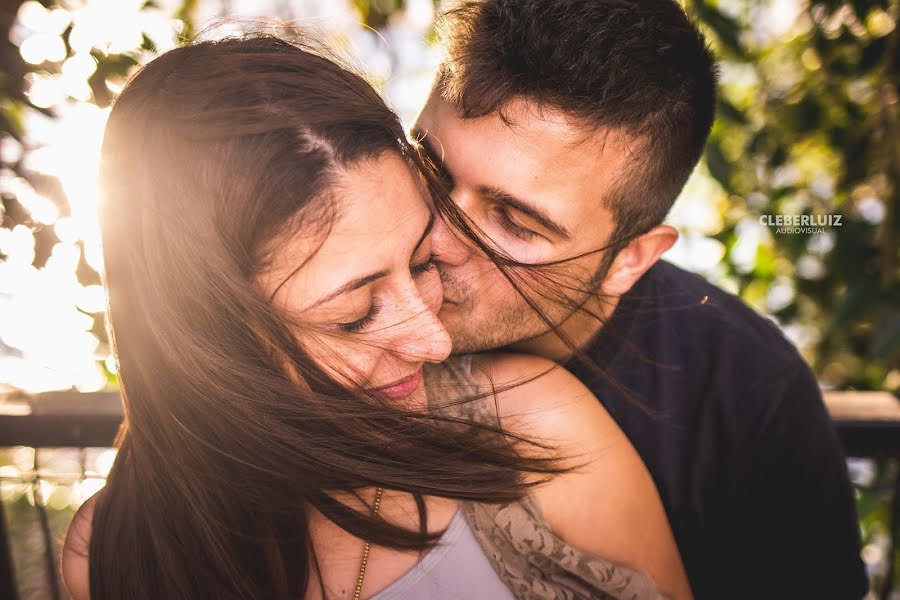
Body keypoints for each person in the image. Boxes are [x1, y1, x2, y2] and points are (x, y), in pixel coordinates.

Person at [60, 33, 692, 599]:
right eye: (355, 315)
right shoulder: (114, 555)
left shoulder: (532, 422)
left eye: (419, 266)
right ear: (204, 334)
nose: (435, 340)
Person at [412, 1, 867, 598]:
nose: (436, 240)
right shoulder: (330, 282)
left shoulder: (750, 398)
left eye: (516, 223)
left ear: (630, 259)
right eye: (427, 164)